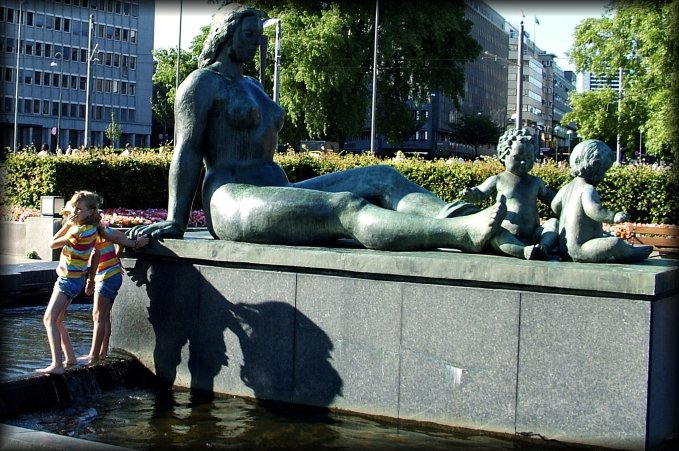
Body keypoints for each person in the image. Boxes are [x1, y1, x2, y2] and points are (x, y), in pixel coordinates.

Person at [128, 3, 505, 253]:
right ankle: (461, 234)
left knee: (384, 176)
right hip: (231, 201)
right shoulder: (200, 84)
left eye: (259, 35)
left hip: (276, 191)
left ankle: (468, 224)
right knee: (345, 206)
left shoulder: (252, 86)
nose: (256, 41)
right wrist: (177, 218)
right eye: (249, 34)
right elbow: (187, 150)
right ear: (225, 35)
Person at [460, 128, 558, 260]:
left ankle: (543, 247)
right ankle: (523, 251)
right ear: (503, 155)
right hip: (506, 233)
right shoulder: (499, 179)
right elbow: (480, 193)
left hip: (533, 234)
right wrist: (471, 194)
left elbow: (550, 198)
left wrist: (564, 199)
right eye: (517, 158)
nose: (524, 162)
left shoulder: (535, 182)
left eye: (529, 158)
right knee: (497, 236)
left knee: (553, 223)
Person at [551, 139, 653, 263]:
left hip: (564, 249)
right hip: (581, 249)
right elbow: (593, 210)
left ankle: (627, 250)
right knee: (615, 243)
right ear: (595, 166)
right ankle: (630, 254)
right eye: (603, 171)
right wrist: (613, 216)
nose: (604, 176)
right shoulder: (588, 189)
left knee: (605, 236)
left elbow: (555, 205)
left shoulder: (566, 188)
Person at [36, 191, 102, 374]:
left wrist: (68, 225)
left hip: (67, 280)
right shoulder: (93, 229)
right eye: (74, 208)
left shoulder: (78, 231)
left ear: (90, 212)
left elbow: (52, 243)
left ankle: (57, 364)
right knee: (57, 320)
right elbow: (96, 252)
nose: (75, 212)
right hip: (77, 279)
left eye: (79, 209)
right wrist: (90, 279)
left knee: (49, 319)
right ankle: (70, 358)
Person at [80, 224, 150, 363]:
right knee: (105, 316)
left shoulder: (90, 234)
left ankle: (93, 355)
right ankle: (103, 352)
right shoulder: (107, 231)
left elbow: (95, 254)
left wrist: (90, 281)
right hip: (114, 274)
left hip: (104, 277)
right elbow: (121, 239)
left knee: (98, 316)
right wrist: (117, 256)